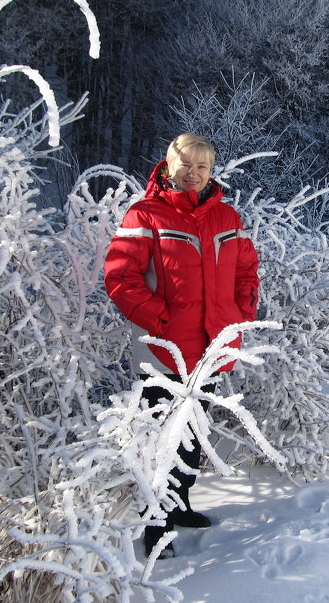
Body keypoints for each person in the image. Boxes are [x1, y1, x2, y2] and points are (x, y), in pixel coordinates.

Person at [104, 134, 260, 558]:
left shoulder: (227, 217)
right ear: (168, 166)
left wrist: (241, 310)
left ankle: (180, 505)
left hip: (212, 348)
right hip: (164, 351)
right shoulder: (145, 214)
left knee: (194, 434)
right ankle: (156, 526)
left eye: (202, 167)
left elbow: (246, 269)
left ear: (212, 172)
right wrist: (162, 321)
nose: (193, 174)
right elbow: (121, 277)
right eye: (185, 165)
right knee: (159, 440)